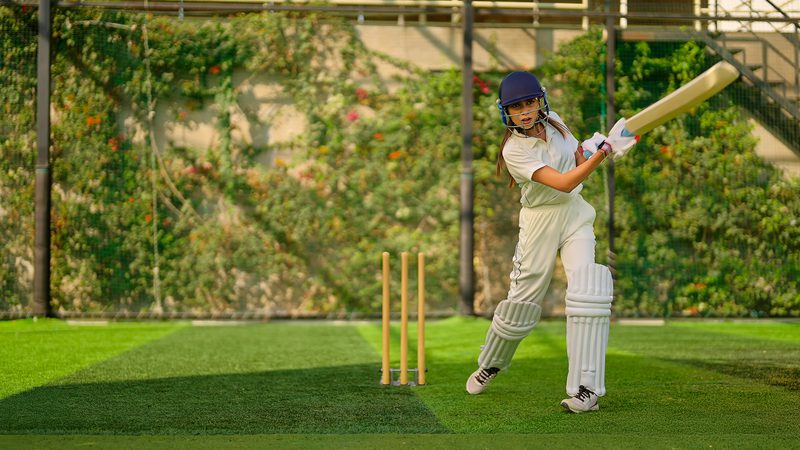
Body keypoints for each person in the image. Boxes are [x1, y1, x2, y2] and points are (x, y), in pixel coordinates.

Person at [464, 71, 637, 413]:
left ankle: (586, 390)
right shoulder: (515, 150)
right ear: (506, 112)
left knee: (589, 288)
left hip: (574, 215)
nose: (525, 111)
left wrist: (603, 147)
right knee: (522, 303)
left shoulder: (555, 121)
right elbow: (563, 182)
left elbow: (577, 161)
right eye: (516, 107)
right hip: (540, 221)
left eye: (529, 103)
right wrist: (602, 153)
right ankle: (492, 363)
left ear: (540, 101)